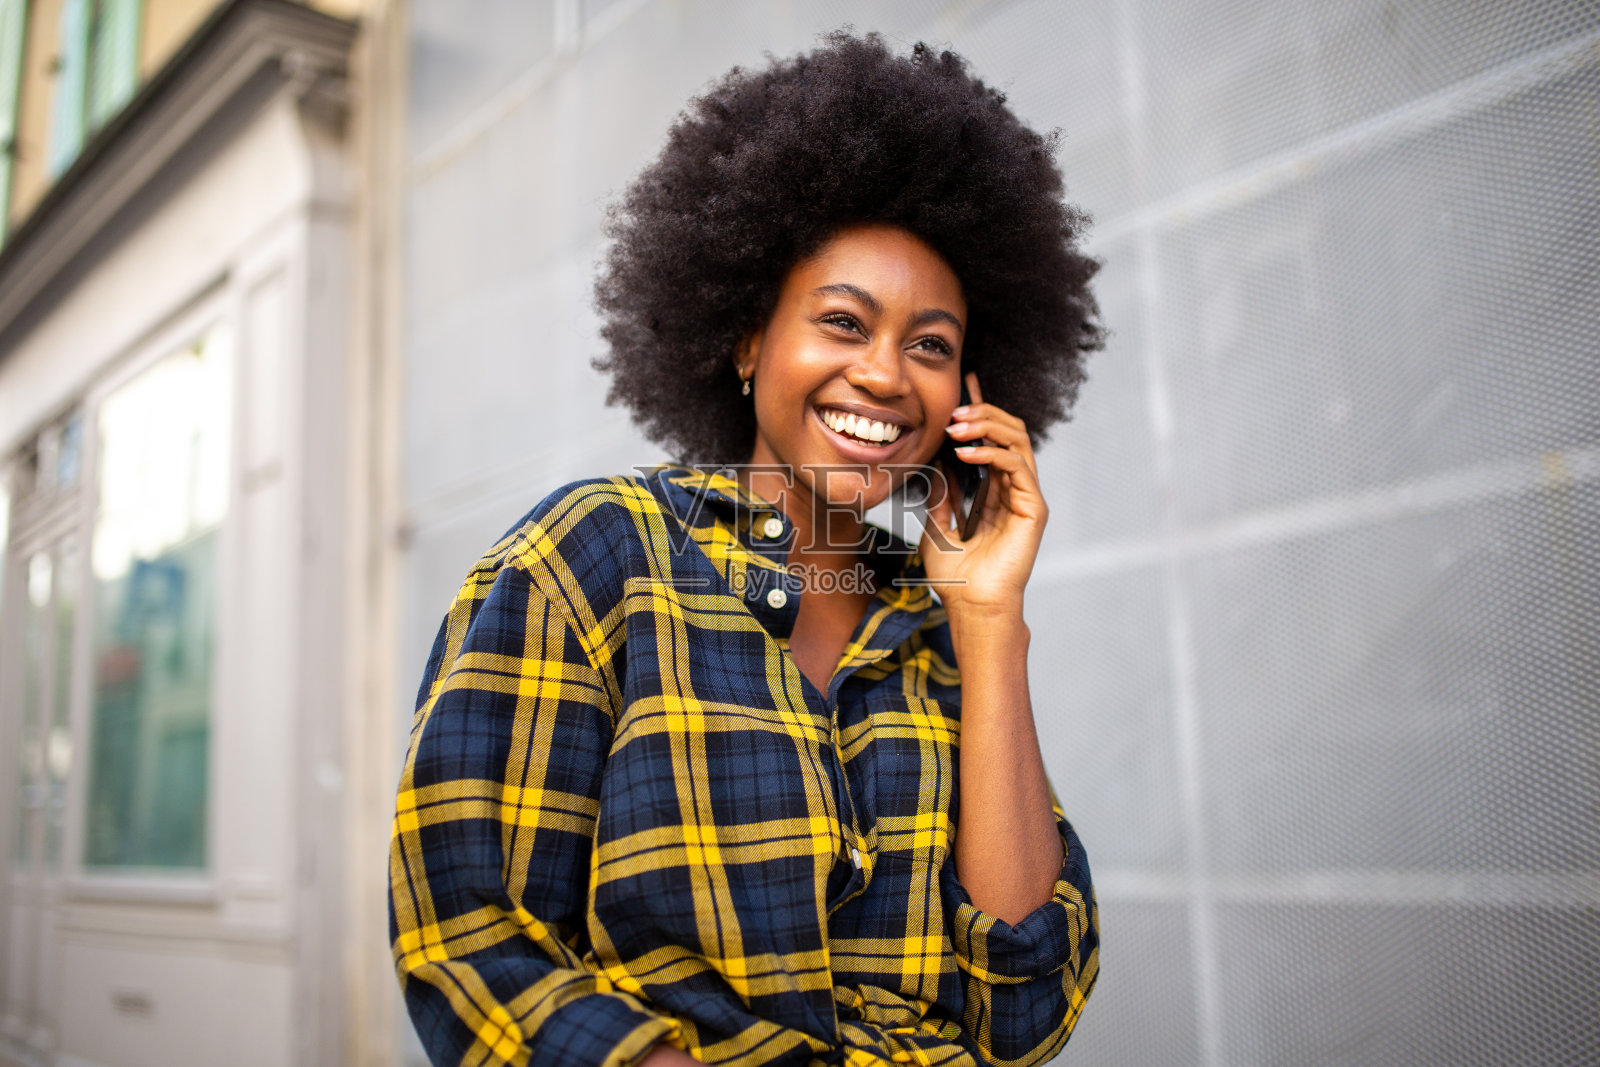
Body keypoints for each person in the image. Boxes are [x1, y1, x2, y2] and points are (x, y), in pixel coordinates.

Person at [390, 31, 1105, 1067]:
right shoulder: (594, 558)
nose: (886, 375)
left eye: (931, 344)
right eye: (842, 322)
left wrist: (991, 621)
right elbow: (471, 938)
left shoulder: (939, 623)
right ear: (745, 339)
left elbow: (1025, 1014)